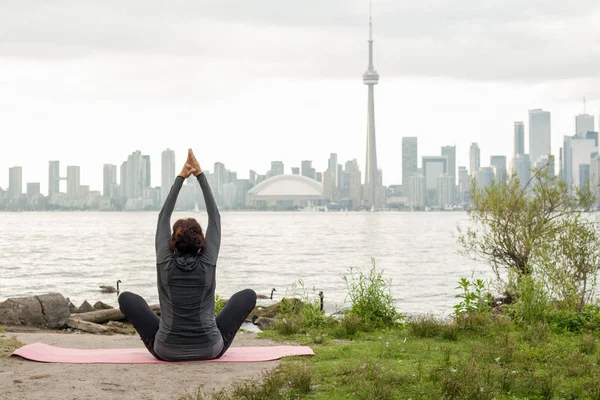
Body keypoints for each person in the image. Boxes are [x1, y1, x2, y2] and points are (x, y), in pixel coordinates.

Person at [118, 148, 257, 361]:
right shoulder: (207, 261)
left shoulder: (165, 261)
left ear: (172, 241)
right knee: (248, 295)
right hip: (210, 349)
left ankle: (170, 339)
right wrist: (200, 175)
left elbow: (163, 217)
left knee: (127, 298)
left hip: (166, 351)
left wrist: (181, 177)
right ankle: (203, 338)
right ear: (201, 240)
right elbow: (215, 215)